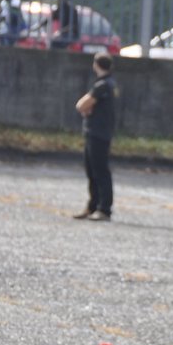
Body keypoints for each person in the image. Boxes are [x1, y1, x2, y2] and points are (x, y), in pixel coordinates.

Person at [73, 52, 119, 221]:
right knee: (92, 170)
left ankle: (104, 208)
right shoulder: (110, 84)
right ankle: (93, 205)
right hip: (99, 131)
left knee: (100, 171)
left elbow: (81, 105)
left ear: (96, 65)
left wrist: (86, 108)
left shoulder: (102, 85)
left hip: (97, 132)